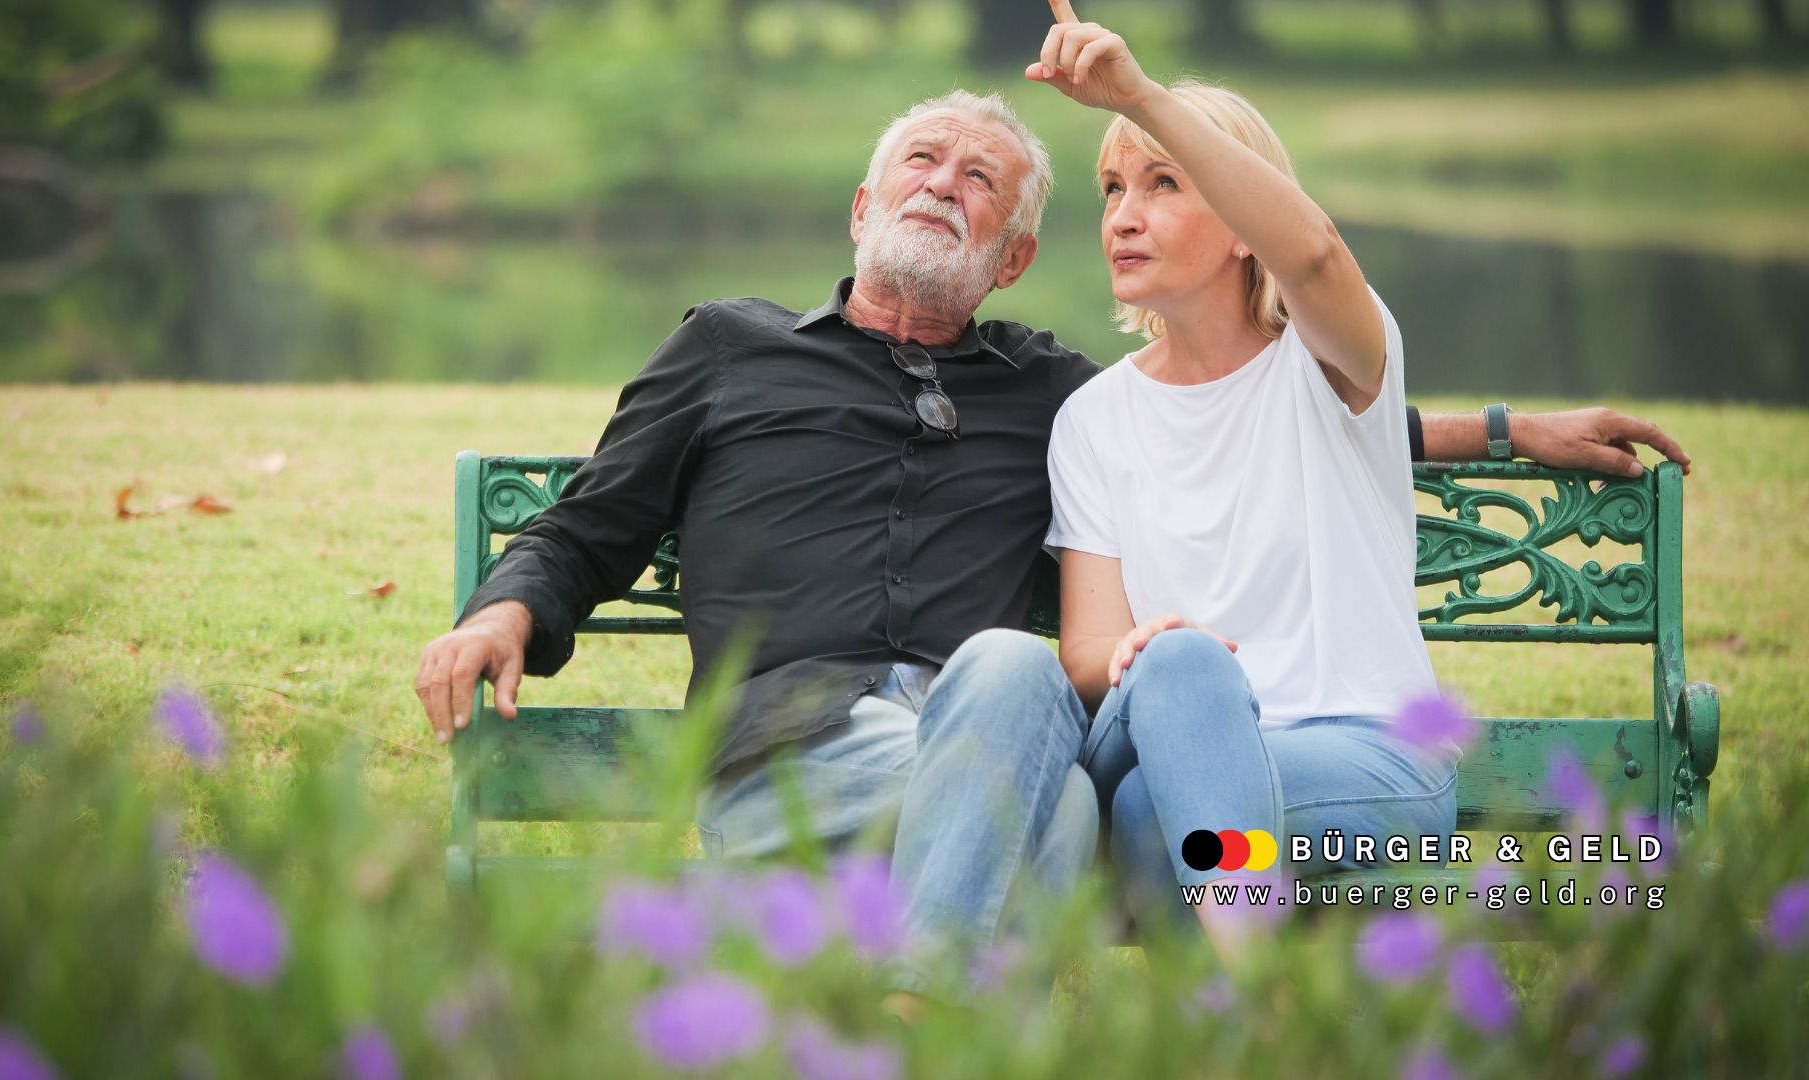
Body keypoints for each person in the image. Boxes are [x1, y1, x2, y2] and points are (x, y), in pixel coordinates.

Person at [414, 81, 1688, 992]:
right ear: (863, 203)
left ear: (1014, 256)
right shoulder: (729, 349)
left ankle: (975, 999)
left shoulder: (1054, 396)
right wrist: (503, 609)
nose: (941, 185)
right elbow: (593, 521)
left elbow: (1281, 404)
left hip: (1075, 781)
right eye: (920, 161)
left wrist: (1503, 428)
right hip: (805, 760)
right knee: (1075, 758)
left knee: (1052, 701)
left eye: (980, 180)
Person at [1025, 5, 1685, 963]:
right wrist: (1152, 656)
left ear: (1245, 223)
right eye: (1113, 186)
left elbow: (1316, 254)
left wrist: (1140, 99)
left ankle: (1246, 1020)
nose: (1124, 214)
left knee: (1155, 815)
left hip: (1369, 770)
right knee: (1183, 687)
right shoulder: (1093, 420)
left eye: (1164, 182)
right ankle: (1266, 1023)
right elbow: (1088, 652)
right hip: (1193, 764)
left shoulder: (1332, 370)